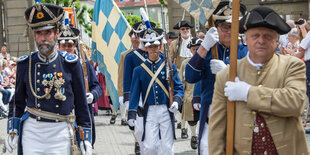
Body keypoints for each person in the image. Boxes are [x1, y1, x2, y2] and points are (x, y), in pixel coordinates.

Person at [208, 6, 309, 154]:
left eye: (267, 36)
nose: (261, 41)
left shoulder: (292, 66)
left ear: (276, 41)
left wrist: (248, 93)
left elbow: (296, 102)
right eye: (255, 35)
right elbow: (217, 130)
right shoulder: (227, 76)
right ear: (246, 39)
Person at [4, 3, 92, 155]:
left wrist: (86, 137)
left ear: (57, 33)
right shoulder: (26, 63)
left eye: (47, 33)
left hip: (60, 131)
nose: (43, 38)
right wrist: (12, 129)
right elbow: (17, 102)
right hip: (32, 131)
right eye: (39, 33)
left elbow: (81, 104)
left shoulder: (70, 63)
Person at [184, 1, 247, 154]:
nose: (229, 32)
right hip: (211, 117)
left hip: (239, 116)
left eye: (233, 27)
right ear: (216, 28)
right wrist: (204, 48)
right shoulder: (209, 48)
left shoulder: (245, 51)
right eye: (225, 27)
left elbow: (252, 82)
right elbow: (190, 76)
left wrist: (227, 71)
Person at [127, 27, 184, 155]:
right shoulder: (139, 70)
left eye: (155, 46)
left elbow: (179, 87)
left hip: (166, 109)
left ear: (160, 47)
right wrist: (131, 113)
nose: (153, 49)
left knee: (168, 148)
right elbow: (135, 94)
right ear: (146, 48)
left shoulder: (169, 65)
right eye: (150, 46)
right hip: (150, 112)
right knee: (150, 147)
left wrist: (177, 101)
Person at [58, 18, 103, 147]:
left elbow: (97, 86)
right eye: (64, 46)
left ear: (75, 46)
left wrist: (92, 95)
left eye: (70, 45)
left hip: (81, 113)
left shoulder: (83, 63)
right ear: (59, 46)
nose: (67, 48)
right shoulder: (54, 65)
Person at [123, 21, 157, 155]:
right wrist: (127, 101)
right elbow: (127, 80)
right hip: (139, 100)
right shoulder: (131, 57)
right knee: (140, 132)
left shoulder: (160, 55)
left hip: (156, 99)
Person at [169, 20, 194, 138]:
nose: (185, 31)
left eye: (187, 29)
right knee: (182, 101)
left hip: (193, 75)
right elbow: (169, 60)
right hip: (179, 75)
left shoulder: (195, 42)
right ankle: (183, 127)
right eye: (183, 29)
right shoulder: (175, 44)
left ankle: (190, 128)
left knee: (191, 102)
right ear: (179, 31)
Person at [179, 37, 202, 149]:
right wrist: (180, 97)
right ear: (190, 50)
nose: (196, 51)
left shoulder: (207, 61)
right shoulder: (185, 63)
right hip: (190, 96)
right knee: (192, 120)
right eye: (193, 49)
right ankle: (194, 135)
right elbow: (181, 81)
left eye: (198, 48)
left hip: (204, 96)